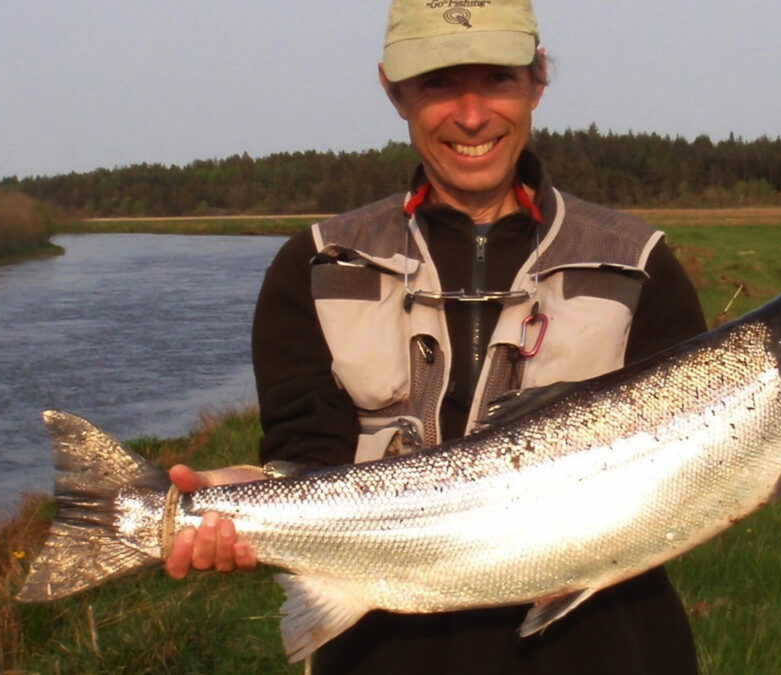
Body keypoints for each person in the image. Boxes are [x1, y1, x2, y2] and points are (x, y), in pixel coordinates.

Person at [166, 1, 707, 672]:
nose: (472, 114)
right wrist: (223, 495)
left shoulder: (639, 266)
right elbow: (302, 463)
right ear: (394, 90)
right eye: (439, 83)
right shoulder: (314, 267)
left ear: (538, 82)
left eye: (499, 79)